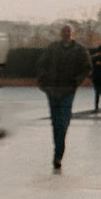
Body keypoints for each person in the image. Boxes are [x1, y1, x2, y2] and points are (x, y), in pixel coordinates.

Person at [37, 24, 92, 171]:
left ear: (71, 34)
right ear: (61, 34)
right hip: (53, 89)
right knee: (56, 123)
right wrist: (44, 80)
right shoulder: (52, 48)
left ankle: (58, 153)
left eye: (68, 32)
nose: (66, 34)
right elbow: (41, 64)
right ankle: (58, 154)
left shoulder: (79, 50)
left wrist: (76, 81)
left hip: (68, 89)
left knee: (63, 122)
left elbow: (87, 68)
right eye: (64, 32)